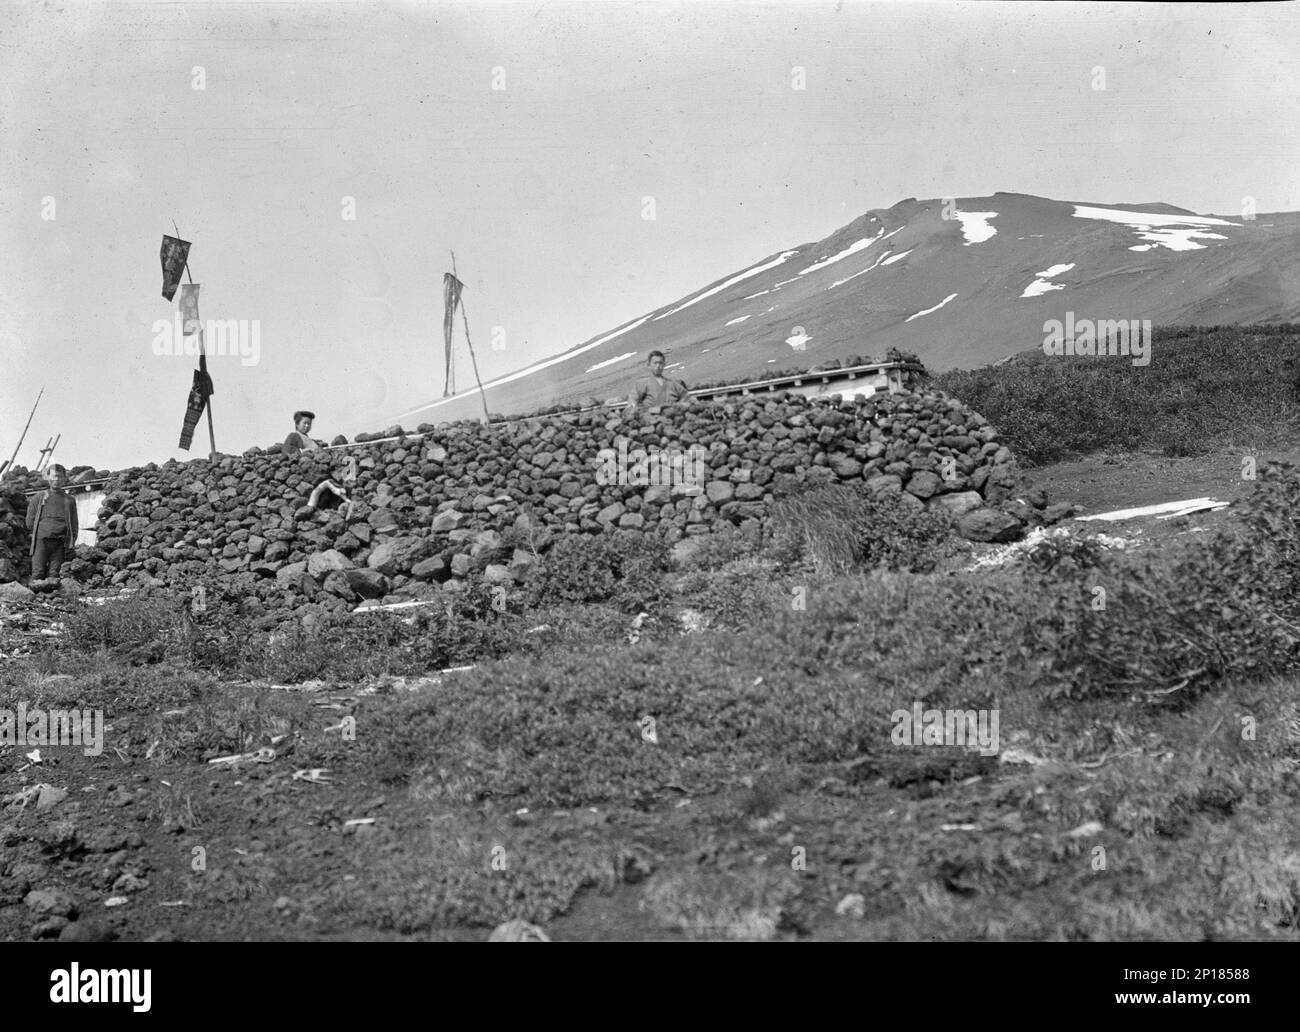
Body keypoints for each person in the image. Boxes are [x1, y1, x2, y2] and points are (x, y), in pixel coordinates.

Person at [25, 464, 78, 582]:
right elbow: (29, 521)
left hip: (60, 542)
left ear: (64, 478)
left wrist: (72, 540)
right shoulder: (39, 498)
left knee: (55, 574)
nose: (56, 480)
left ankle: (52, 599)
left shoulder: (69, 500)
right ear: (48, 477)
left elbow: (74, 523)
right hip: (41, 541)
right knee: (38, 572)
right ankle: (36, 598)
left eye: (59, 477)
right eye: (54, 476)